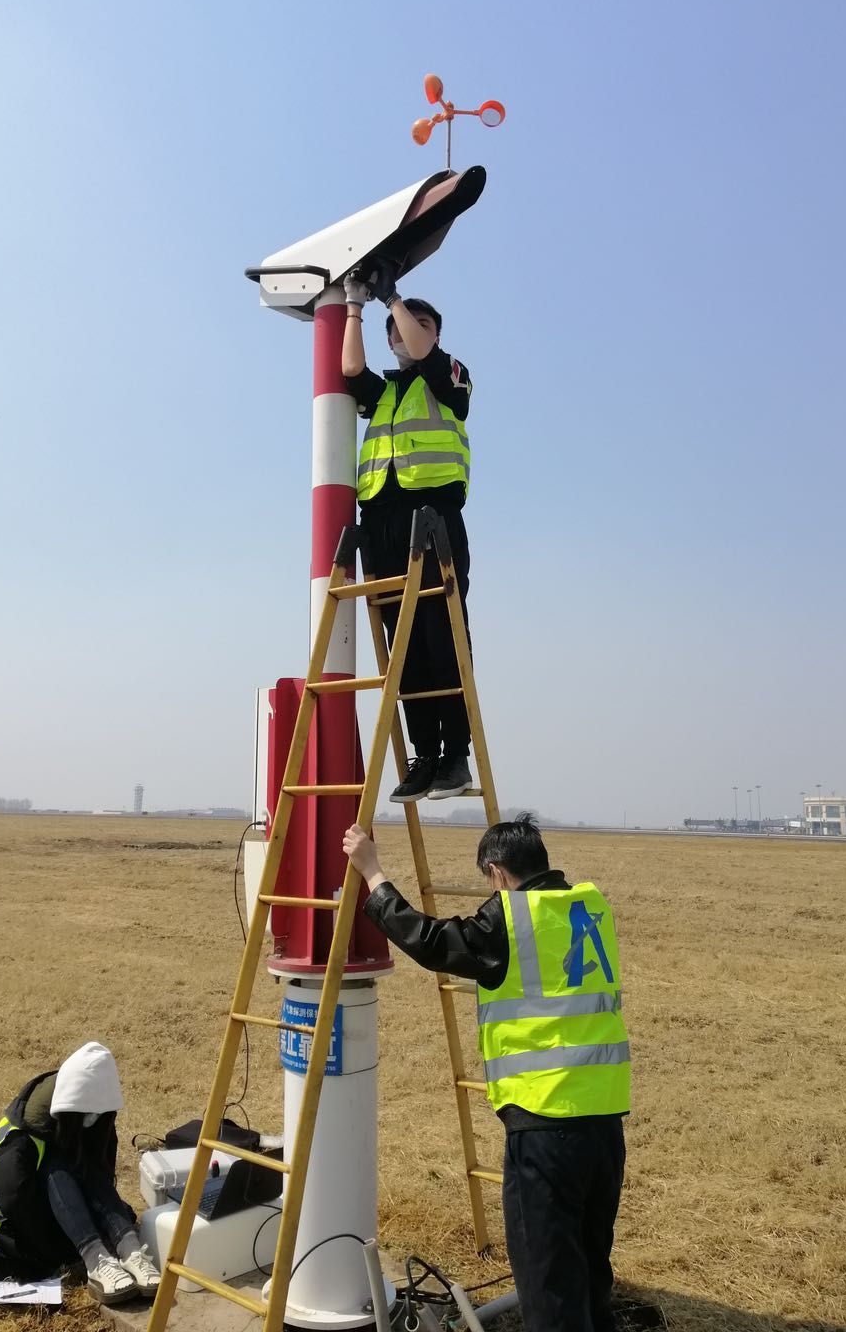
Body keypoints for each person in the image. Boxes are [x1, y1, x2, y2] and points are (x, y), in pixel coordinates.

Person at [343, 817, 630, 1332]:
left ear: (496, 872)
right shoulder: (591, 903)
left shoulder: (512, 918)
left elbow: (432, 942)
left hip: (545, 1126)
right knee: (589, 1267)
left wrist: (373, 873)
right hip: (605, 1122)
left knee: (549, 1283)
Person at [342, 259, 474, 804]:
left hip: (435, 519)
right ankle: (423, 756)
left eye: (413, 324)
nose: (400, 331)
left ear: (435, 333)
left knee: (442, 639)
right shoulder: (388, 391)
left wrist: (393, 296)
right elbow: (350, 373)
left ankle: (455, 756)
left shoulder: (451, 376)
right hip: (383, 525)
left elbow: (422, 349)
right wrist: (354, 303)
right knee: (403, 648)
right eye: (393, 326)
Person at [0, 1041, 162, 1306]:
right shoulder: (20, 1144)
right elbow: (15, 1201)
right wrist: (62, 1251)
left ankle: (131, 1251)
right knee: (56, 1167)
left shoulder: (89, 1114)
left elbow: (100, 1171)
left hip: (48, 1210)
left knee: (84, 1166)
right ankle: (96, 1262)